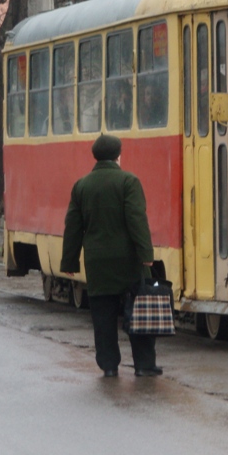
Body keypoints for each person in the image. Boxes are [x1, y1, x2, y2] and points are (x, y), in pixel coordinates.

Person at [61, 134, 160, 378]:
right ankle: (144, 365)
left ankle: (109, 365)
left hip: (97, 263)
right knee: (139, 312)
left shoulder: (82, 185)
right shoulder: (129, 181)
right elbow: (137, 220)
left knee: (103, 316)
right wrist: (146, 254)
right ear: (118, 155)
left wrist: (69, 261)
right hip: (129, 261)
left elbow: (73, 226)